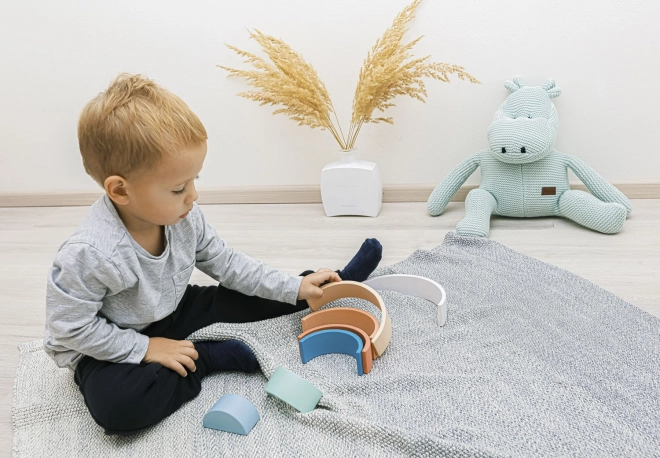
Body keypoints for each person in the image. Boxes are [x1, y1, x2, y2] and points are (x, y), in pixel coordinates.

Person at [44, 73, 383, 435]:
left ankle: (327, 285)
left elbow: (229, 265)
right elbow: (69, 330)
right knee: (119, 407)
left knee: (252, 296)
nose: (193, 196)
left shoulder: (183, 216)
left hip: (172, 307)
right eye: (178, 188)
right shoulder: (91, 253)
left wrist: (293, 288)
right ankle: (204, 359)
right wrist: (144, 348)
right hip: (106, 342)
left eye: (194, 181)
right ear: (120, 191)